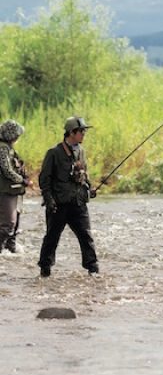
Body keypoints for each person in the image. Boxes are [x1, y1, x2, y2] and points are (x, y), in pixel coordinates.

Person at [38, 116, 99, 277]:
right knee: (52, 237)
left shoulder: (81, 151)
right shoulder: (54, 153)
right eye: (82, 131)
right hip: (59, 204)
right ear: (72, 132)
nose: (84, 134)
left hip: (78, 202)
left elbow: (84, 174)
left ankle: (93, 268)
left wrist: (89, 188)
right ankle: (45, 268)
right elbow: (44, 179)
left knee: (86, 235)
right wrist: (49, 199)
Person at [0, 120, 31, 254]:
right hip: (6, 191)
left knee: (14, 224)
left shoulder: (8, 147)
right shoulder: (3, 148)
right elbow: (6, 170)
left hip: (13, 190)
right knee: (8, 224)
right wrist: (22, 180)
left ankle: (10, 248)